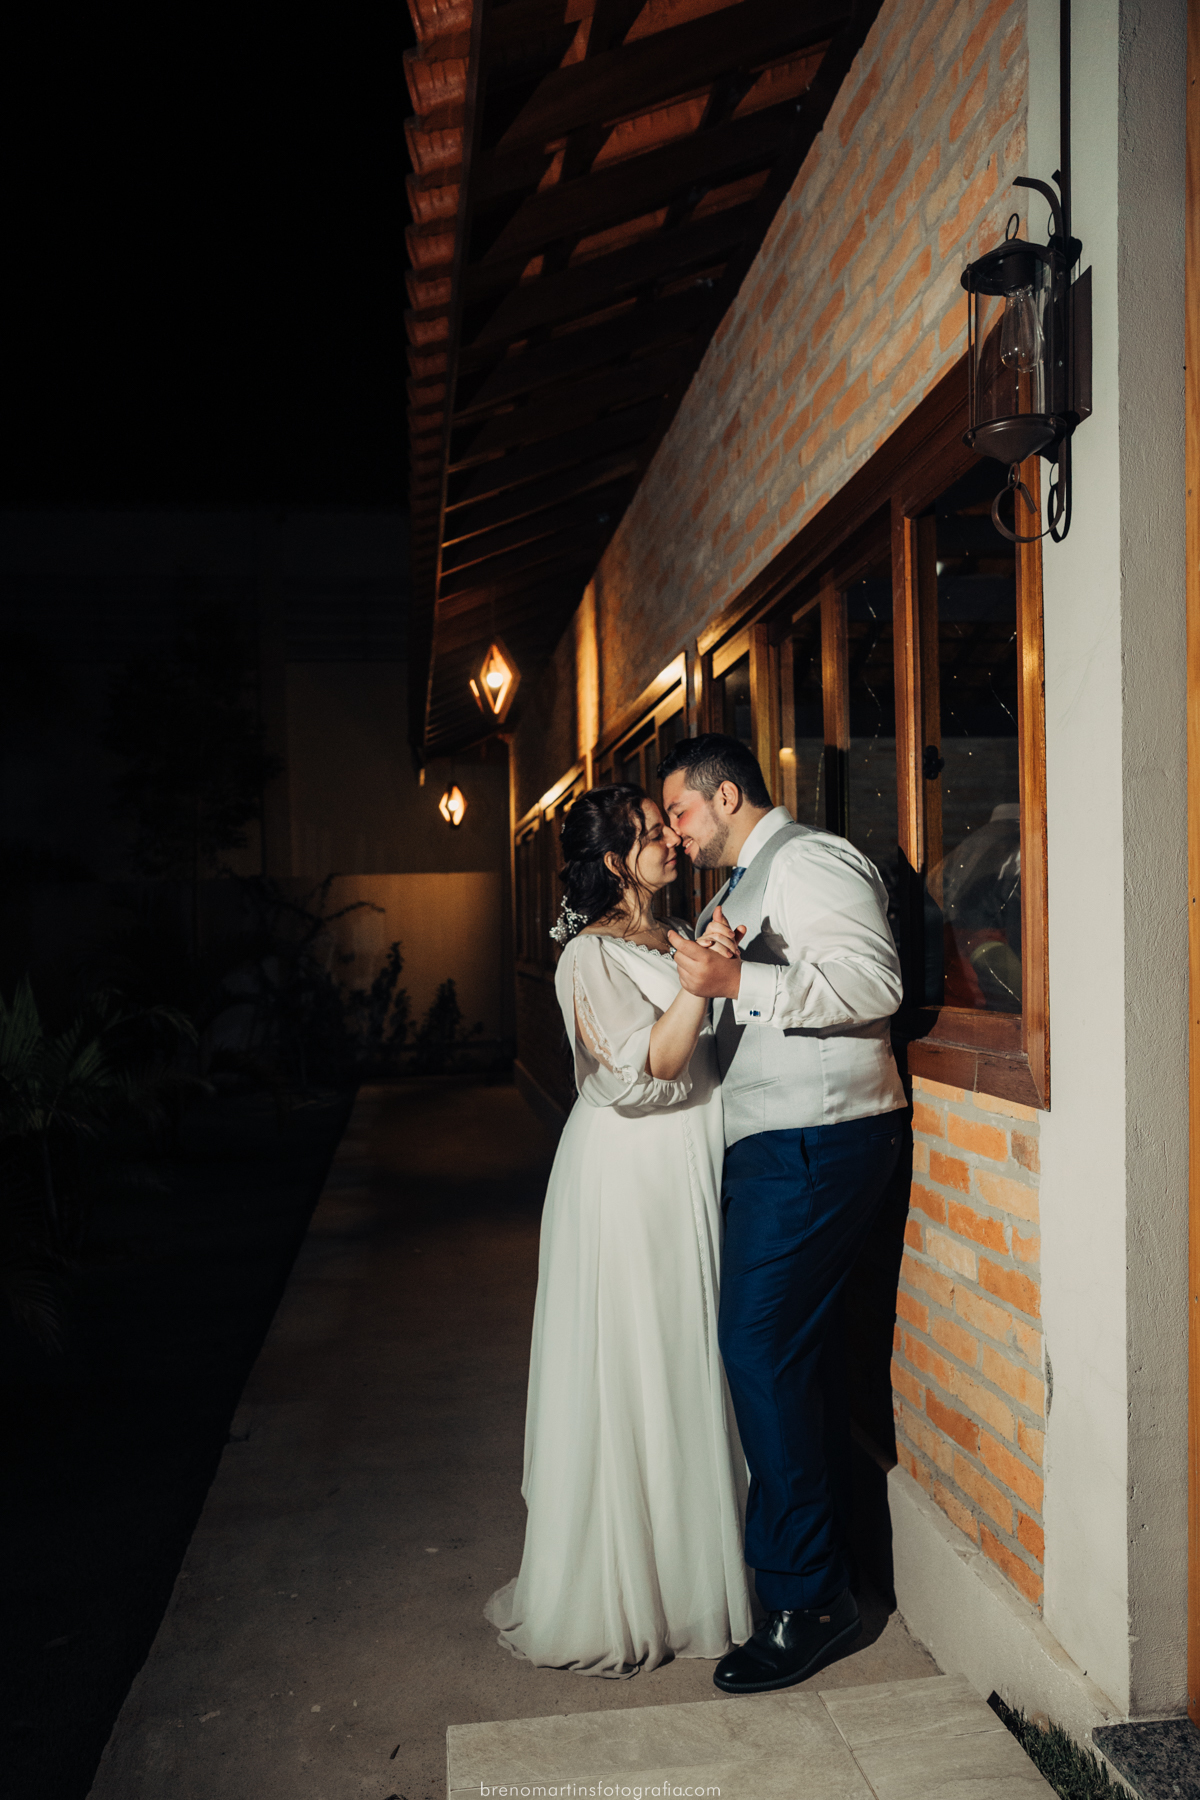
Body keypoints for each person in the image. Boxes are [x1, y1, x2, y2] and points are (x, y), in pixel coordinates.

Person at [484, 783, 755, 1677]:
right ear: (613, 864)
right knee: (641, 1363)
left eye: (668, 826)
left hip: (682, 1172)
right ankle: (632, 1588)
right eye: (650, 834)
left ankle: (693, 1575)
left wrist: (704, 963)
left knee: (688, 1362)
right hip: (626, 1180)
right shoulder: (585, 959)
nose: (672, 840)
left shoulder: (668, 935)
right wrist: (704, 978)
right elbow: (649, 1072)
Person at [660, 733, 907, 1696]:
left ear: (726, 796)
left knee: (759, 1351)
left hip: (820, 1138)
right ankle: (803, 1583)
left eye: (680, 812)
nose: (676, 835)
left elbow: (876, 983)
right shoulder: (739, 888)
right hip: (772, 1144)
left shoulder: (808, 860)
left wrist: (736, 982)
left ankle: (812, 1600)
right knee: (781, 1357)